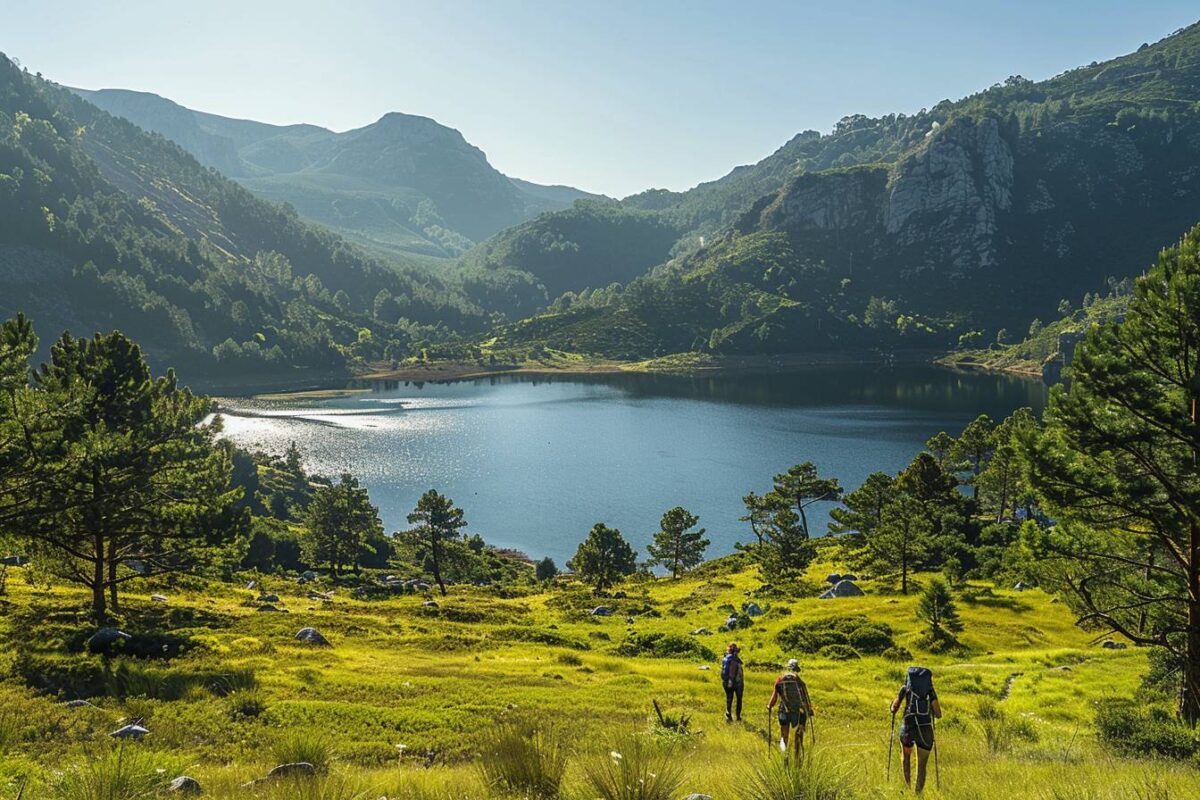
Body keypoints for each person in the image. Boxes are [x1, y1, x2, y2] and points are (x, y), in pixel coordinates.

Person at [890, 666, 942, 793]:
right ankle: (918, 794)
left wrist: (892, 707)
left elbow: (894, 708)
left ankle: (907, 789)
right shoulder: (930, 691)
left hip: (908, 726)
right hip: (925, 729)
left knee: (906, 757)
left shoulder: (905, 688)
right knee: (922, 765)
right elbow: (938, 714)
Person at [768, 658, 813, 758]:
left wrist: (769, 706)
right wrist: (809, 710)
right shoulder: (799, 682)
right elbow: (805, 698)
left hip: (784, 710)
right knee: (798, 736)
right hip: (798, 712)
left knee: (784, 737)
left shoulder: (779, 680)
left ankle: (785, 755)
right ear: (797, 669)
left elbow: (774, 697)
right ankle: (798, 756)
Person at [720, 642, 745, 721]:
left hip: (727, 681)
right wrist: (731, 680)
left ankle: (728, 715)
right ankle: (737, 716)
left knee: (729, 698)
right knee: (739, 699)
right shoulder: (734, 659)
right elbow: (732, 671)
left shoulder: (726, 658)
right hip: (736, 682)